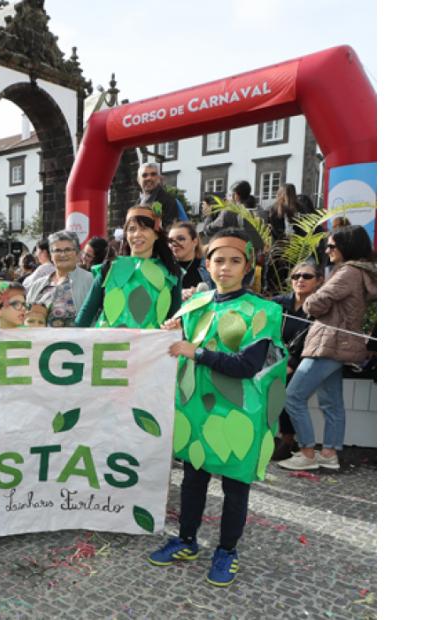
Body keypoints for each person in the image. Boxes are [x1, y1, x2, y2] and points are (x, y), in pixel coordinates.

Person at [149, 228, 287, 587]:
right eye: (218, 260)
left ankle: (226, 550)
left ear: (247, 266)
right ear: (207, 263)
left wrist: (196, 351)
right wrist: (171, 332)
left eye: (234, 261)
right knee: (193, 479)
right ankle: (187, 540)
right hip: (196, 408)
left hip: (239, 413)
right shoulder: (194, 304)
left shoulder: (264, 310)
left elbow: (247, 366)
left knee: (235, 487)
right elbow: (176, 345)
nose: (225, 268)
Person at [277, 226, 376, 471]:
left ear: (347, 247)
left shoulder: (348, 272)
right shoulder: (361, 272)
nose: (327, 250)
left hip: (328, 343)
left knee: (292, 396)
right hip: (340, 343)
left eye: (332, 246)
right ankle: (329, 453)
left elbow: (313, 304)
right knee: (332, 403)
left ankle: (308, 452)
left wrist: (312, 300)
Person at [76, 207, 182, 328]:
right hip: (108, 345)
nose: (137, 234)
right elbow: (87, 312)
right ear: (126, 235)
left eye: (144, 228)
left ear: (156, 234)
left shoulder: (170, 273)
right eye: (132, 229)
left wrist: (174, 327)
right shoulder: (110, 267)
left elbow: (175, 317)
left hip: (150, 345)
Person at [269, 262, 324, 462]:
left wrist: (292, 363)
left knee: (287, 393)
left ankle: (287, 439)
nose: (300, 280)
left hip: (303, 359)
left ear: (319, 281)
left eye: (307, 276)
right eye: (296, 276)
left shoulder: (319, 309)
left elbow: (313, 341)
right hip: (273, 357)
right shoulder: (280, 303)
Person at [26, 231, 95, 328]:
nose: (63, 254)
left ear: (78, 254)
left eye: (67, 250)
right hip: (42, 342)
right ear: (51, 256)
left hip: (78, 342)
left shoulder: (90, 281)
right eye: (57, 250)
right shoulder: (38, 285)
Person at [168, 222, 213, 299]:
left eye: (181, 239)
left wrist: (201, 294)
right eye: (170, 241)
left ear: (194, 241)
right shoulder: (162, 267)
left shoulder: (209, 267)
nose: (174, 244)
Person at [136, 162, 179, 230]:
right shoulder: (138, 202)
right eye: (144, 175)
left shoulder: (168, 201)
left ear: (159, 178)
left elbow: (169, 231)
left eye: (153, 174)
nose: (149, 178)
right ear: (138, 180)